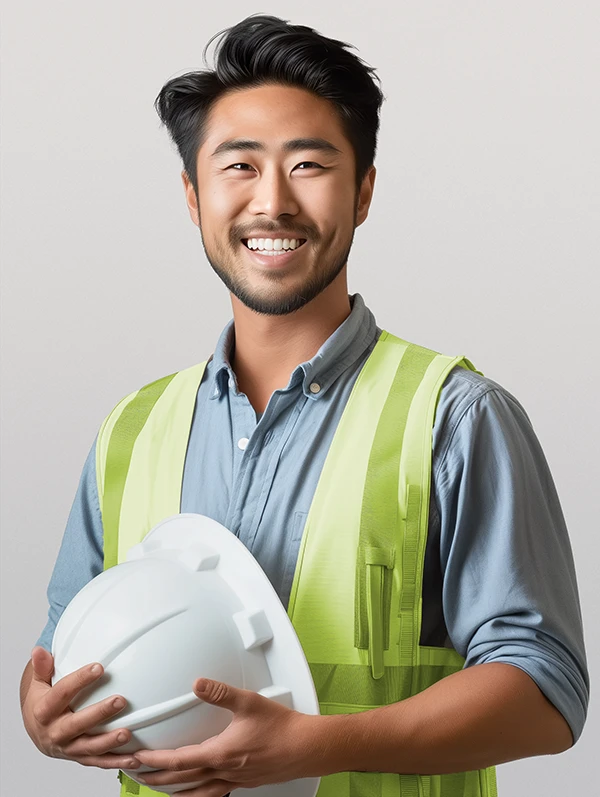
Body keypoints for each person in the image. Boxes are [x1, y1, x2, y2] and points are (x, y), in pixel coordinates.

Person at [20, 14, 588, 797]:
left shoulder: (454, 416)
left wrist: (320, 743)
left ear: (363, 192)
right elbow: (58, 654)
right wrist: (41, 712)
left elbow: (547, 691)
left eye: (309, 165)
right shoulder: (132, 429)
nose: (273, 202)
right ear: (193, 196)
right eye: (239, 166)